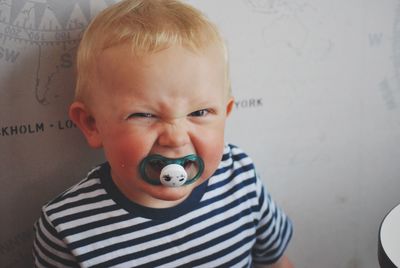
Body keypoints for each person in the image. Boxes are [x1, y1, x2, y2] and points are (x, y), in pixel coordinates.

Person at [32, 0, 293, 267]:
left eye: (200, 112)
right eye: (144, 115)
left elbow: (276, 262)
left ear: (225, 114)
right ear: (92, 124)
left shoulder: (241, 179)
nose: (176, 138)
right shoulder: (66, 228)